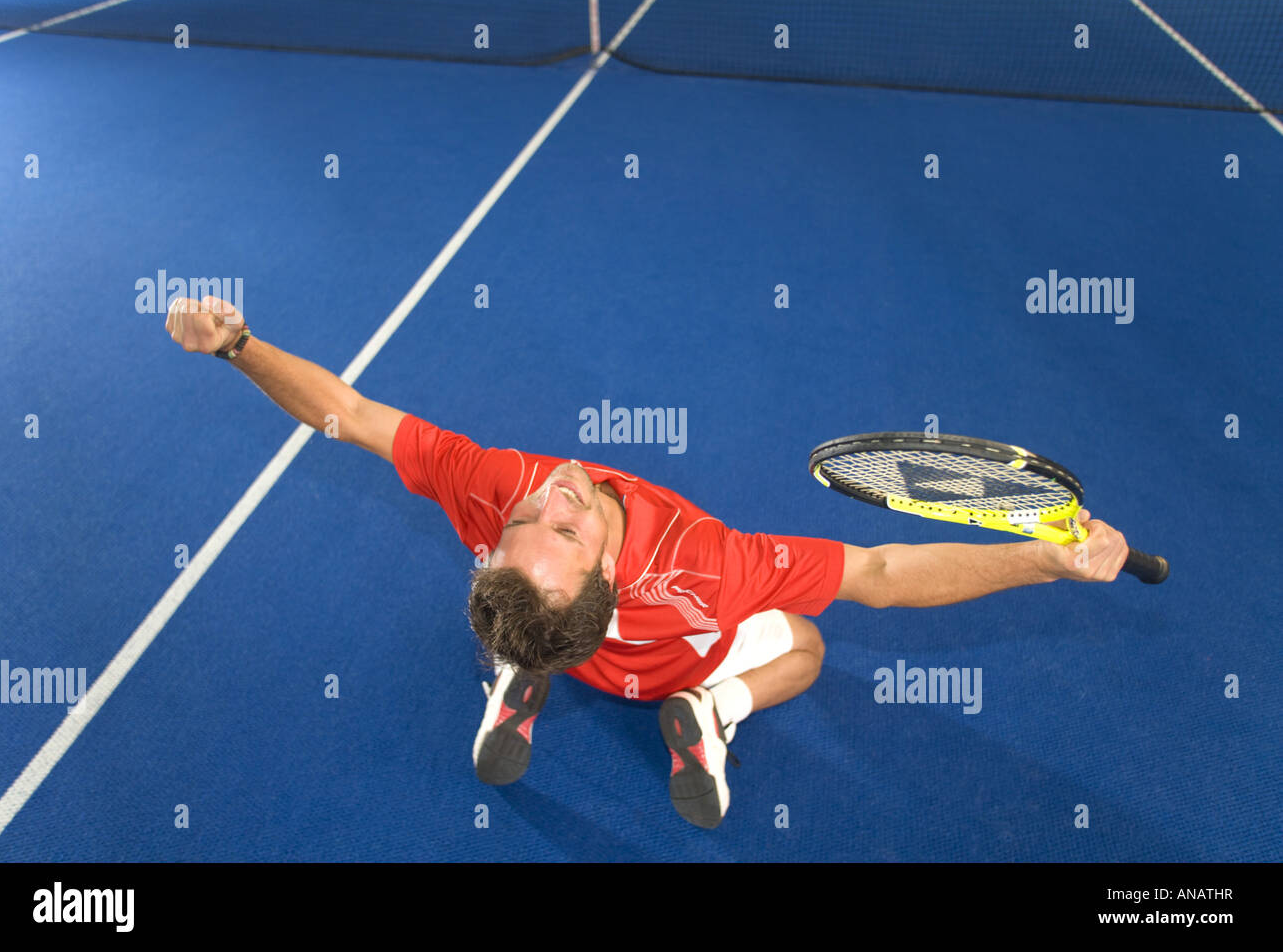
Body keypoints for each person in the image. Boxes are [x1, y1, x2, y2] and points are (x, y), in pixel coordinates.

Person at [166, 296, 1131, 829]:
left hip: (571, 645)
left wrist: (238, 347)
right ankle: (712, 712)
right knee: (807, 648)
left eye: (536, 520)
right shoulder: (714, 564)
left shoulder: (490, 491)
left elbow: (350, 418)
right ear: (605, 579)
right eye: (565, 529)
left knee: (523, 617)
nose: (556, 492)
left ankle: (520, 672)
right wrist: (1044, 565)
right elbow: (879, 575)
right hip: (668, 657)